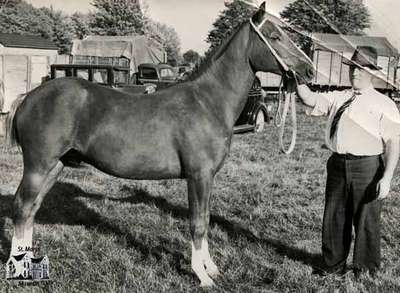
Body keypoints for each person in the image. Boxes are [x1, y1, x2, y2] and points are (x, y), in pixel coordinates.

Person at [294, 46, 400, 277]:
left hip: (368, 167)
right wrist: (295, 75)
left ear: (372, 72)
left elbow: (393, 143)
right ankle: (332, 266)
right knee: (334, 216)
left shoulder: (385, 104)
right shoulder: (339, 96)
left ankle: (366, 270)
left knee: (366, 219)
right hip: (337, 165)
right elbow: (309, 98)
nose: (355, 73)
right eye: (352, 68)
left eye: (361, 69)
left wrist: (387, 177)